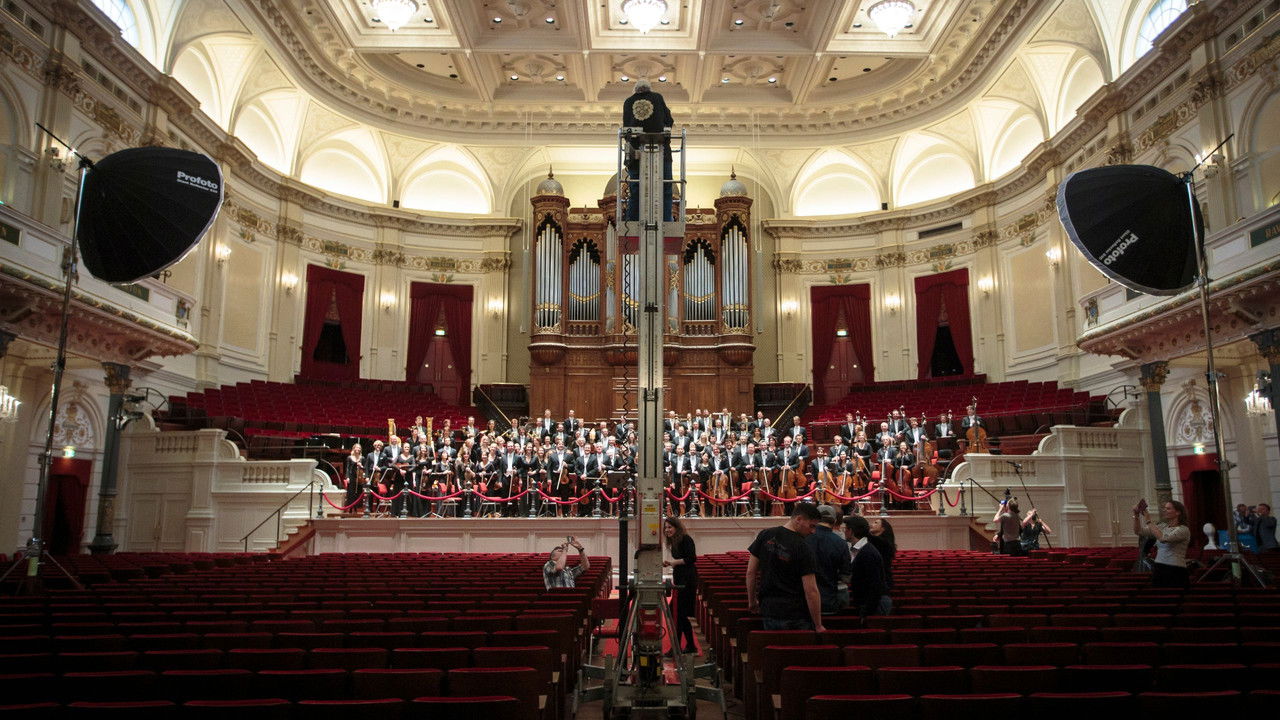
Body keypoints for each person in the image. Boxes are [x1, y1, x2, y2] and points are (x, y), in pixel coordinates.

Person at [745, 503, 825, 632]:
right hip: (796, 612)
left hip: (769, 608)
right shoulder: (804, 548)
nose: (813, 531)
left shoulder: (765, 534)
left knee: (774, 649)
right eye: (812, 526)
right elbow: (811, 590)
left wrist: (752, 600)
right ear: (799, 519)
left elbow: (750, 572)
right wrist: (818, 624)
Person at [621, 78, 674, 222]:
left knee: (636, 189)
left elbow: (626, 130)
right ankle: (666, 220)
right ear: (649, 89)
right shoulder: (657, 98)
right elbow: (669, 121)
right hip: (662, 152)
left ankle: (633, 220)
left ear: (635, 90)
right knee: (665, 188)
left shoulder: (628, 102)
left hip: (635, 152)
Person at [843, 514, 892, 618]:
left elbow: (875, 585)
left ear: (851, 531)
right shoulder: (860, 549)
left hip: (873, 605)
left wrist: (867, 612)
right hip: (868, 602)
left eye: (846, 529)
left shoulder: (868, 552)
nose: (844, 531)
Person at [806, 505, 852, 615]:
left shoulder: (803, 539)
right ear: (835, 521)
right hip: (831, 600)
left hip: (806, 602)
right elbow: (846, 576)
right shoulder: (841, 543)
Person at [1133, 499, 1190, 588]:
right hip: (1159, 567)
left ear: (1178, 512)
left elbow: (1163, 538)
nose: (1164, 510)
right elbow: (1139, 531)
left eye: (1168, 509)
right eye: (1164, 508)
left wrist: (1148, 521)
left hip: (1175, 569)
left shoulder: (1183, 529)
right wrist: (1136, 515)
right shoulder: (1163, 526)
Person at [663, 517, 698, 654]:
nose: (667, 530)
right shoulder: (675, 541)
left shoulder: (685, 539)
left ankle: (677, 648)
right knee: (679, 615)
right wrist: (671, 563)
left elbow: (692, 558)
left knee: (678, 614)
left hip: (687, 581)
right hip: (680, 580)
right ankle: (689, 646)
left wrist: (674, 563)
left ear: (677, 527)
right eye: (666, 528)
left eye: (670, 527)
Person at [867, 517, 896, 590]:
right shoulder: (876, 541)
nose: (871, 525)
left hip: (882, 580)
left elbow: (870, 537)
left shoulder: (883, 543)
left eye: (876, 523)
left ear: (883, 528)